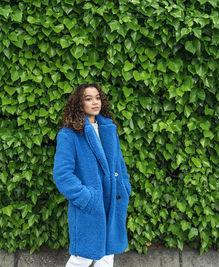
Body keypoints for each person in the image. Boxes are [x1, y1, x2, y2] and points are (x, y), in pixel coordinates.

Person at [53, 83, 132, 267]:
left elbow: (119, 163)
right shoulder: (69, 134)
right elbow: (63, 174)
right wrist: (87, 198)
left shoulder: (109, 129)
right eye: (88, 99)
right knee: (82, 258)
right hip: (91, 204)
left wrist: (124, 187)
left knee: (107, 256)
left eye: (97, 97)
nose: (95, 102)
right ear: (79, 104)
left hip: (112, 200)